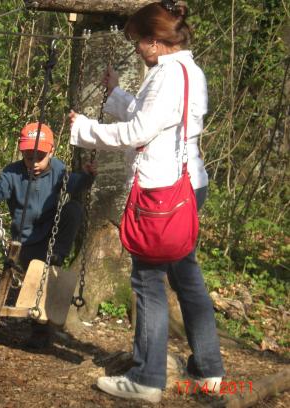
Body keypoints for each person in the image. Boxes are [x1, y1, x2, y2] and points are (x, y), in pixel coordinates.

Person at [69, 0, 224, 403]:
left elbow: (137, 132)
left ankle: (147, 378)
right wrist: (117, 92)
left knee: (148, 282)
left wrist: (85, 129)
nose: (137, 47)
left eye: (139, 40)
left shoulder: (166, 77)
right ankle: (209, 370)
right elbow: (157, 119)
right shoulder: (189, 71)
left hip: (161, 190)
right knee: (186, 276)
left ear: (156, 41)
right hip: (189, 185)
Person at [0, 122, 96, 347]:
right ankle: (38, 334)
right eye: (28, 157)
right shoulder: (12, 173)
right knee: (35, 280)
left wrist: (88, 177)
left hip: (51, 237)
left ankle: (58, 256)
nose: (34, 163)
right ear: (22, 153)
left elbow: (75, 185)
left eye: (40, 157)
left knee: (74, 209)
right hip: (25, 240)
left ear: (51, 152)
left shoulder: (59, 170)